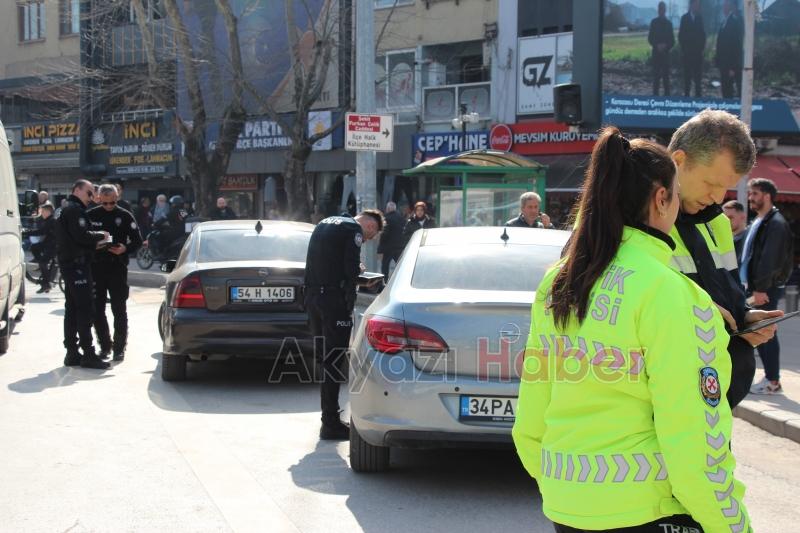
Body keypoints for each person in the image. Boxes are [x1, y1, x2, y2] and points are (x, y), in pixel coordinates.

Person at [514, 127, 751, 532]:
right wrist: (733, 526)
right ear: (661, 199)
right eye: (676, 194)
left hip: (567, 506)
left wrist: (566, 489)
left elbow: (532, 416)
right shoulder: (671, 294)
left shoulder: (560, 281)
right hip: (649, 509)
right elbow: (695, 445)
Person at [667, 109, 782, 408]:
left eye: (726, 187)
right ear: (678, 161)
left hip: (717, 400)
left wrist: (745, 318)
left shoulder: (717, 222)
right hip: (670, 402)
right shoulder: (633, 219)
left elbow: (728, 295)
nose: (718, 198)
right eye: (711, 183)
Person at [304, 209, 384, 440]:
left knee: (325, 360)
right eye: (370, 237)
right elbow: (350, 270)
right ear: (370, 226)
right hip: (333, 303)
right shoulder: (353, 229)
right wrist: (360, 272)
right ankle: (330, 423)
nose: (366, 240)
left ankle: (328, 418)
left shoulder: (324, 222)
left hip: (313, 299)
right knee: (334, 362)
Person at [740, 178, 794, 395]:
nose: (750, 198)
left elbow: (769, 259)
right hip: (756, 288)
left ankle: (773, 381)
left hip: (764, 290)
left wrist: (760, 289)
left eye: (755, 193)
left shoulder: (775, 223)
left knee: (766, 332)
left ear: (767, 196)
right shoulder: (761, 220)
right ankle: (770, 378)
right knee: (760, 332)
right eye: (750, 193)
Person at [54, 179, 110, 369]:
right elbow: (81, 236)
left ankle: (72, 352)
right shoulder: (74, 210)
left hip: (69, 264)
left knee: (72, 309)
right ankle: (88, 354)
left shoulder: (64, 208)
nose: (91, 197)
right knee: (85, 309)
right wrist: (101, 235)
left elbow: (73, 238)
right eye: (89, 193)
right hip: (77, 266)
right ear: (77, 190)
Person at [87, 184, 143, 361]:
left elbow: (137, 240)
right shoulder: (91, 215)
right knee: (97, 310)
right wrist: (94, 245)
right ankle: (105, 346)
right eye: (105, 203)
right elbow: (81, 240)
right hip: (96, 267)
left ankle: (119, 347)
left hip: (117, 267)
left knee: (119, 308)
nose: (109, 206)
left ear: (117, 198)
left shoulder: (125, 215)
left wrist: (125, 248)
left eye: (112, 202)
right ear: (99, 199)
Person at [23, 202, 57, 293]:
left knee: (43, 262)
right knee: (34, 248)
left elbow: (42, 232)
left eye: (43, 211)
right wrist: (28, 232)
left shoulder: (52, 221)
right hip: (48, 244)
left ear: (48, 212)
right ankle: (42, 266)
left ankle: (46, 284)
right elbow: (41, 231)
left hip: (54, 246)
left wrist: (27, 233)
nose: (41, 213)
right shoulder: (48, 220)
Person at [715, 0, 744, 98]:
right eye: (723, 6)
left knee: (729, 90)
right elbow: (720, 44)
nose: (723, 8)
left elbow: (736, 46)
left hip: (731, 64)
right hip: (723, 64)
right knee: (725, 89)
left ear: (730, 7)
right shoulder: (724, 22)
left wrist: (732, 67)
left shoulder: (734, 23)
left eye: (726, 6)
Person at [678, 0, 706, 97]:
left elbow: (703, 36)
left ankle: (698, 100)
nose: (697, 7)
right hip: (687, 55)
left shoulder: (700, 18)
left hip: (698, 55)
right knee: (687, 81)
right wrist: (685, 49)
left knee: (698, 81)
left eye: (698, 5)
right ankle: (687, 99)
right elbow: (681, 36)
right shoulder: (684, 18)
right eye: (696, 4)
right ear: (691, 5)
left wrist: (701, 49)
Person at [647, 2, 674, 96]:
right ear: (658, 10)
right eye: (660, 9)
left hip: (666, 56)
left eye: (663, 9)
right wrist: (656, 45)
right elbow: (650, 38)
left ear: (665, 10)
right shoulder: (654, 22)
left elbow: (672, 41)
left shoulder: (669, 24)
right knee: (656, 80)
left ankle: (667, 100)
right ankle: (655, 100)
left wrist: (665, 46)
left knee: (666, 80)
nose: (661, 11)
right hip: (656, 55)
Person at [377, 201, 405, 280]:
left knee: (385, 266)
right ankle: (401, 279)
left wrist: (380, 249)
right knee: (400, 264)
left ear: (388, 209)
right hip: (399, 246)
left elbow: (384, 234)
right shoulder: (401, 218)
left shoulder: (386, 218)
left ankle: (384, 281)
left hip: (388, 248)